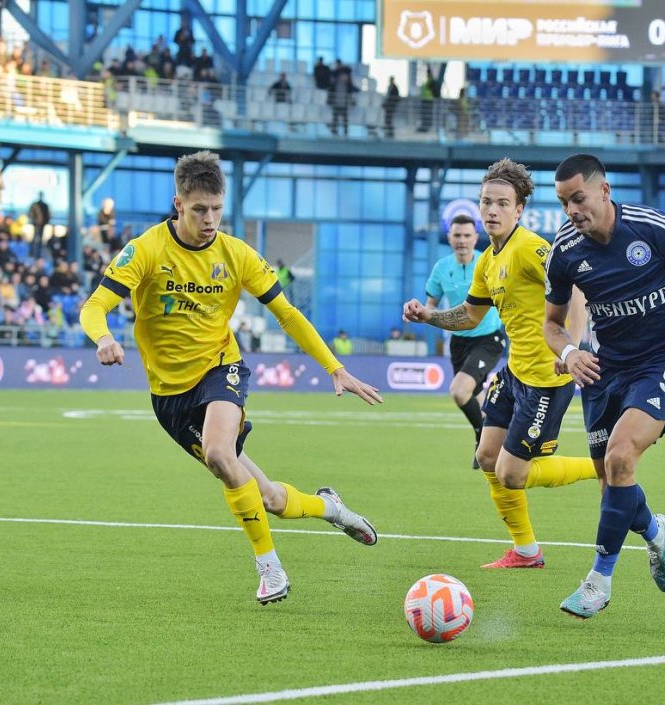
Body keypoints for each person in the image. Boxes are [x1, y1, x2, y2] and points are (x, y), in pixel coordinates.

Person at [79, 151, 384, 606]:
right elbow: (94, 306)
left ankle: (270, 569)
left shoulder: (236, 254)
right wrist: (103, 337)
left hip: (221, 368)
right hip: (170, 397)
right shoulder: (145, 250)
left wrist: (335, 367)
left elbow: (287, 314)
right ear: (178, 204)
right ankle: (331, 507)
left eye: (217, 209)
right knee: (271, 499)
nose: (210, 220)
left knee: (220, 453)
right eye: (199, 209)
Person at [544, 154, 665, 619]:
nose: (572, 210)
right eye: (564, 202)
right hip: (602, 369)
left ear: (605, 190)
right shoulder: (564, 251)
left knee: (620, 455)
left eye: (579, 198)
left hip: (663, 360)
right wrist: (569, 354)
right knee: (612, 481)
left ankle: (598, 582)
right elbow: (551, 324)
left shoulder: (652, 227)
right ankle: (654, 532)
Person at [402, 158, 597, 570]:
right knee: (488, 455)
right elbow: (470, 316)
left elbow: (577, 289)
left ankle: (603, 467)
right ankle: (526, 551)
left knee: (512, 473)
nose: (492, 210)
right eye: (486, 202)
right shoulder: (488, 261)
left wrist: (570, 349)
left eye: (502, 204)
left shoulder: (530, 248)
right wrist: (429, 317)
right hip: (514, 373)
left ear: (519, 210)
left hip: (547, 378)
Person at [421, 213, 506, 468]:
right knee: (475, 397)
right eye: (457, 235)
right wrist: (423, 313)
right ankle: (495, 442)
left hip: (488, 338)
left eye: (467, 235)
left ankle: (481, 438)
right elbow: (430, 304)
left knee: (459, 391)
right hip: (458, 342)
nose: (462, 240)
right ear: (449, 238)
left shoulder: (488, 261)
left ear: (475, 238)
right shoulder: (441, 268)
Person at [29, 192, 51, 260]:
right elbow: (31, 213)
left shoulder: (44, 205)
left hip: (42, 224)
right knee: (35, 238)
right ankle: (33, 253)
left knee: (40, 239)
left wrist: (45, 222)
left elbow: (48, 215)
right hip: (37, 224)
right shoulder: (35, 204)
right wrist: (35, 221)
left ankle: (38, 254)